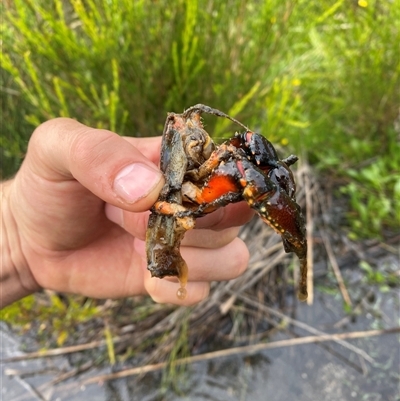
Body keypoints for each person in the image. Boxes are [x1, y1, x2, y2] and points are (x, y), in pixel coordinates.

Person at [1, 118, 253, 309]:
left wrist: (22, 246)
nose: (194, 129)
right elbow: (186, 190)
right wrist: (19, 242)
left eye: (196, 124)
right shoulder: (171, 172)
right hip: (167, 210)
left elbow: (199, 178)